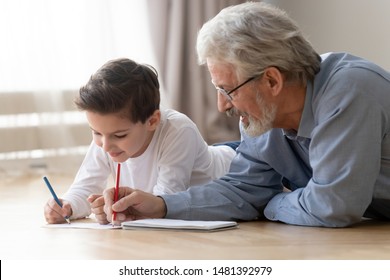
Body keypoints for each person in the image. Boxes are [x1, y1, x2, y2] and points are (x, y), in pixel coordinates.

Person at [102, 1, 390, 228]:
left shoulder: (350, 90)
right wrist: (161, 205)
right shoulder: (264, 118)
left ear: (272, 81)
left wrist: (274, 203)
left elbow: (333, 206)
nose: (222, 106)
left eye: (228, 90)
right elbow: (243, 190)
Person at [43, 58, 236, 224]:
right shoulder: (107, 137)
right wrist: (66, 207)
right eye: (96, 133)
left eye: (119, 136)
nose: (105, 145)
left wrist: (116, 209)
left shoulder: (178, 131)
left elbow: (165, 201)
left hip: (235, 165)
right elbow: (85, 187)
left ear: (152, 121)